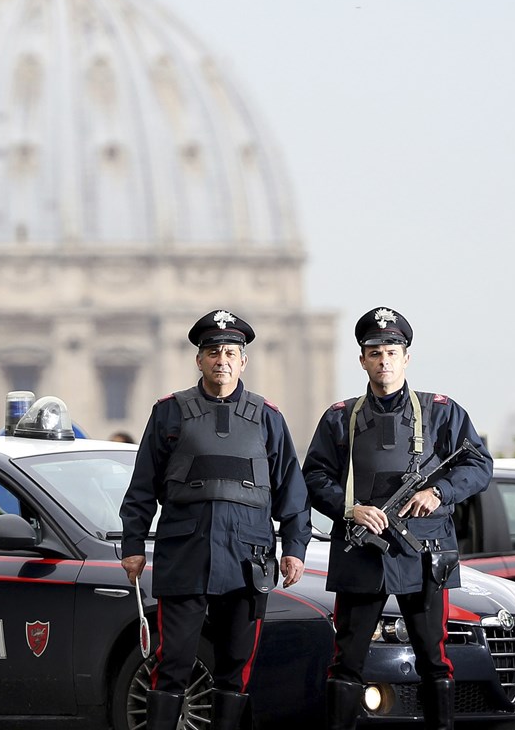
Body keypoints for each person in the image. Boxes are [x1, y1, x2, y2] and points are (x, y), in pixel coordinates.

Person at [119, 310, 311, 730]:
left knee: (235, 667)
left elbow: (292, 494)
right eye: (212, 352)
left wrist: (295, 550)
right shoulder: (169, 413)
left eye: (230, 352)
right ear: (199, 360)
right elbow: (142, 487)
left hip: (247, 561)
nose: (221, 359)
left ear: (243, 361)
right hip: (185, 556)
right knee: (173, 663)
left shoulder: (268, 417)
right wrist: (132, 545)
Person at [304, 307, 492, 730]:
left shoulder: (442, 412)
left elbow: (479, 465)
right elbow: (313, 477)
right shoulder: (339, 417)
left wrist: (438, 492)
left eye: (391, 350)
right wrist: (350, 509)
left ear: (406, 357)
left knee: (433, 658)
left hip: (424, 552)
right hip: (362, 551)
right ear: (362, 360)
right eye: (375, 352)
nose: (383, 360)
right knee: (347, 659)